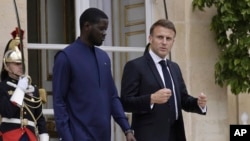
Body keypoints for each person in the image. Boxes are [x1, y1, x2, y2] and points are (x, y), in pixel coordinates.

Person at [52, 7, 136, 141]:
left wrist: (127, 129)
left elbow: (112, 97)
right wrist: (67, 137)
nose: (104, 33)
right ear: (87, 26)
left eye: (106, 29)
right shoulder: (65, 57)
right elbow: (59, 102)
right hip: (78, 136)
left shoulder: (104, 58)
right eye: (101, 28)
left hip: (104, 136)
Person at [120, 19, 207, 141]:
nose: (164, 42)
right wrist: (151, 99)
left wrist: (198, 103)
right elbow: (125, 103)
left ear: (173, 42)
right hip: (149, 136)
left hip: (176, 135)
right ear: (150, 39)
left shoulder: (174, 67)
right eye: (160, 37)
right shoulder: (135, 66)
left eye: (168, 38)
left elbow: (182, 99)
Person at [0, 28, 49, 141]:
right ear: (7, 66)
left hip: (30, 136)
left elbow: (39, 118)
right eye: (17, 64)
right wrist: (20, 89)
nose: (21, 66)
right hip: (10, 135)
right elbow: (7, 112)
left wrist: (44, 138)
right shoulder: (3, 87)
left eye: (22, 63)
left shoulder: (33, 88)